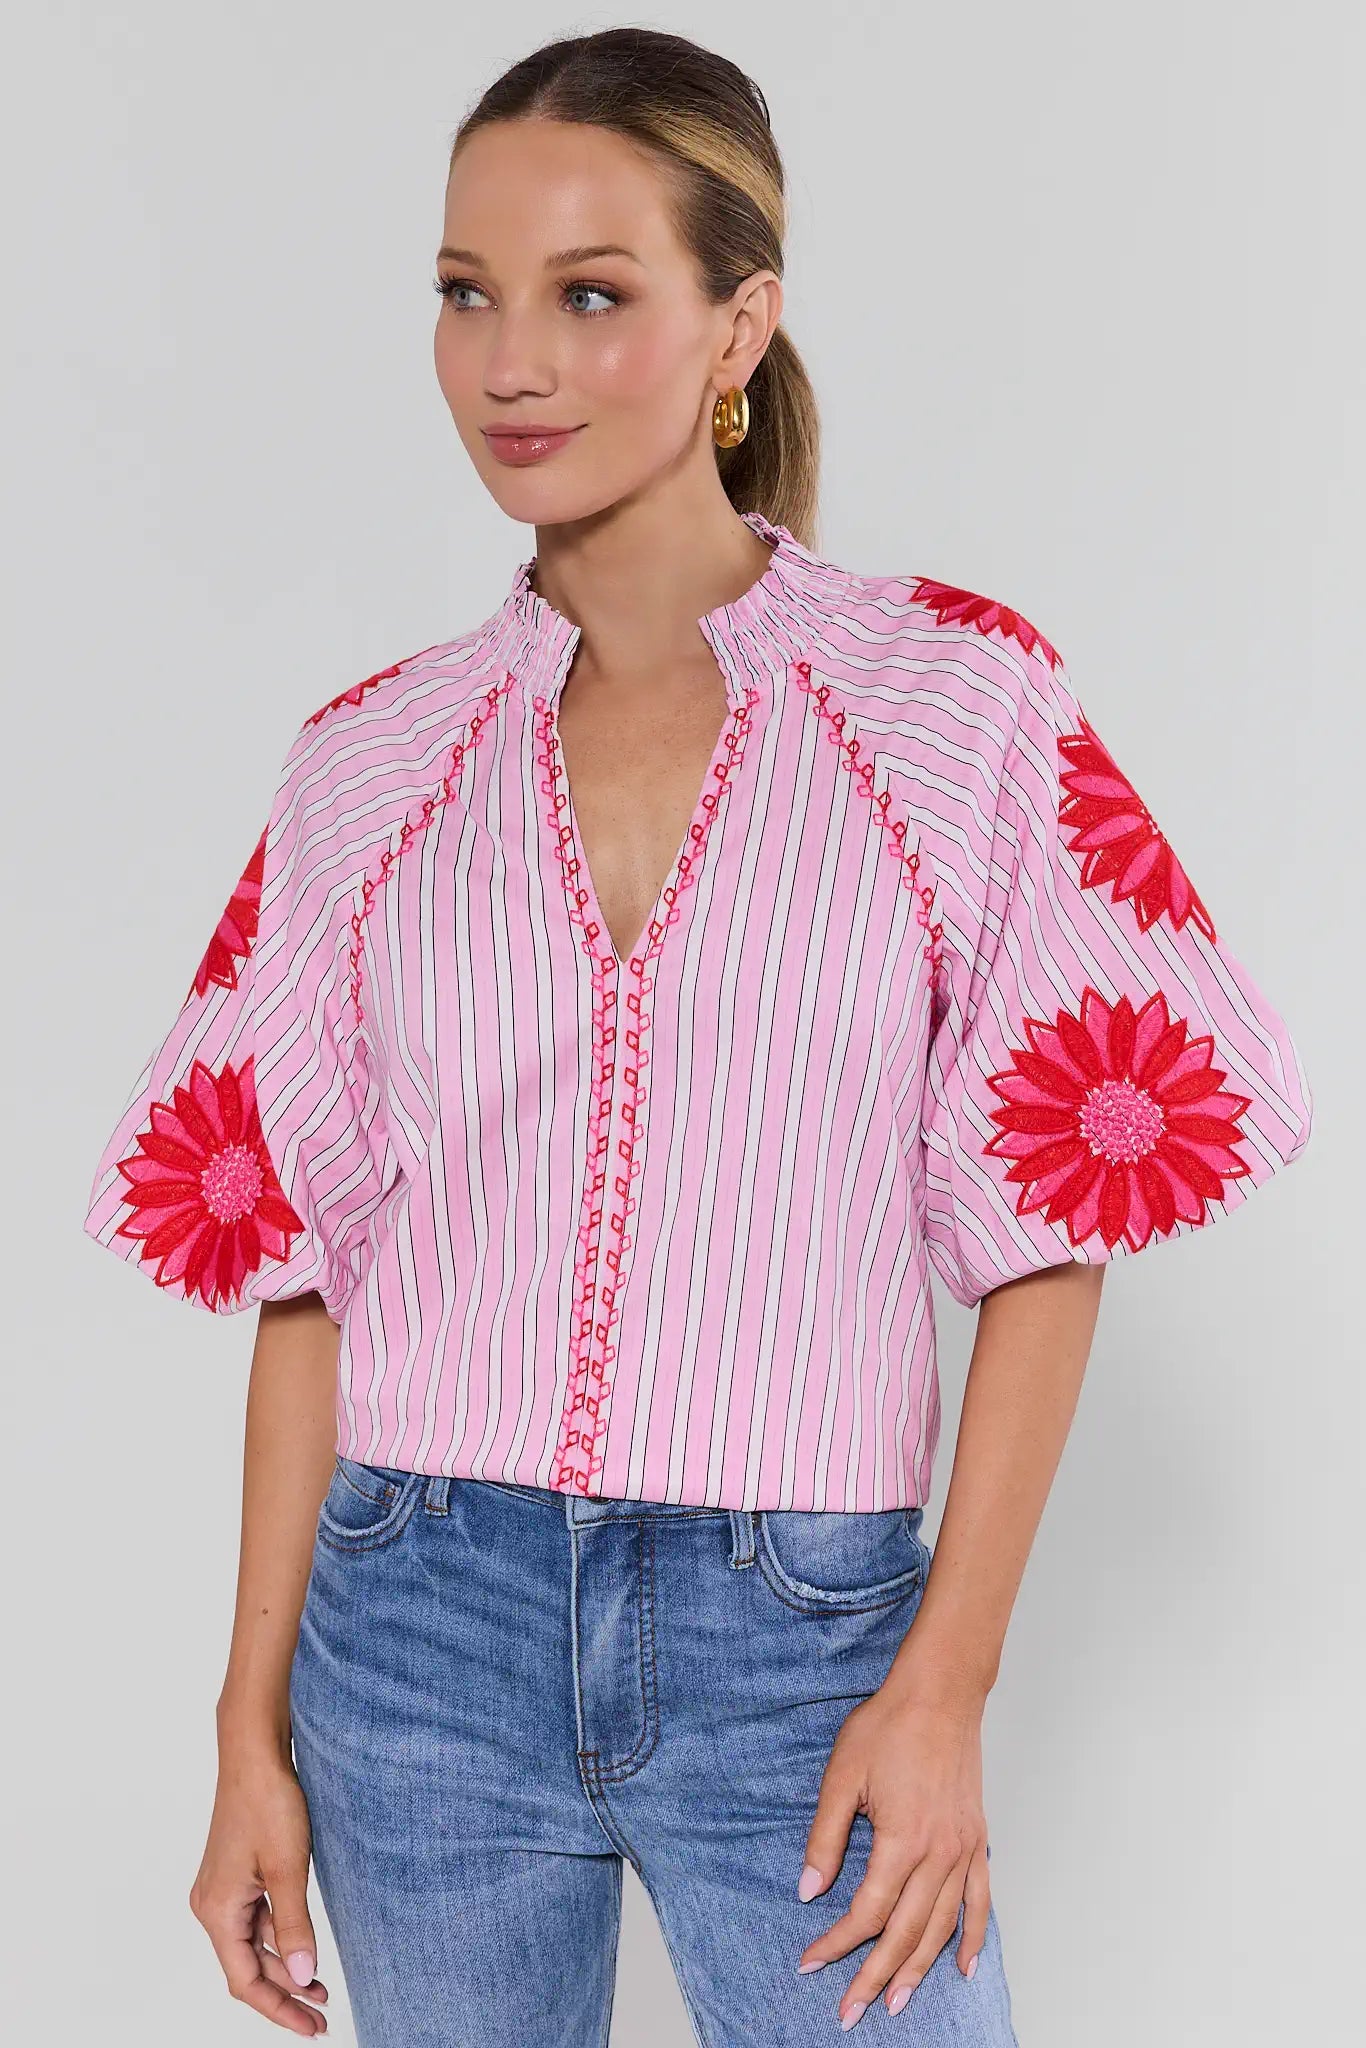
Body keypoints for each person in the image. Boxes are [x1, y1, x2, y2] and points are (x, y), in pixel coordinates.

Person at [81, 26, 1314, 2047]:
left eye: (590, 294)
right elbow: (300, 1274)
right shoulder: (366, 764)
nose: (510, 363)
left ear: (738, 323)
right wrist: (247, 1730)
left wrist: (940, 1685)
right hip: (414, 1620)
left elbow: (1049, 1229)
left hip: (804, 1634)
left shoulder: (952, 700)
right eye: (464, 294)